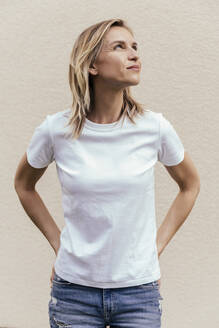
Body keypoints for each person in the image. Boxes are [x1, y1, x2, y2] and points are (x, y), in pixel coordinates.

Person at [14, 18, 200, 328]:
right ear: (91, 65)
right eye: (119, 47)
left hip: (139, 293)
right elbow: (23, 185)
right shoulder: (55, 130)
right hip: (74, 293)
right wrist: (59, 244)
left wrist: (157, 247)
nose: (134, 55)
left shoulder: (154, 128)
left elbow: (190, 185)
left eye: (135, 47)